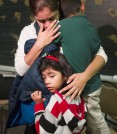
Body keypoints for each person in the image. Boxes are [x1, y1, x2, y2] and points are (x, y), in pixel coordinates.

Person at [12, 0, 108, 133]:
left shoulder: (69, 25)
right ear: (34, 17)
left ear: (59, 11)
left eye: (51, 18)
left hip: (69, 104)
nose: (47, 25)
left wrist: (84, 76)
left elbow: (102, 55)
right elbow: (20, 69)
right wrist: (39, 43)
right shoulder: (28, 32)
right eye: (41, 20)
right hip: (41, 105)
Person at [50, 0, 110, 134]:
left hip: (85, 88)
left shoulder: (61, 26)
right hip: (94, 85)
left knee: (95, 124)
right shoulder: (91, 27)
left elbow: (48, 40)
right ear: (82, 7)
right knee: (94, 119)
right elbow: (97, 50)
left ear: (61, 11)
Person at [31, 52, 86, 134]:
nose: (46, 81)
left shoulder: (56, 100)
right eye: (44, 77)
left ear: (65, 75)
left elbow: (42, 131)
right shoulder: (78, 95)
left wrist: (39, 105)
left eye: (52, 76)